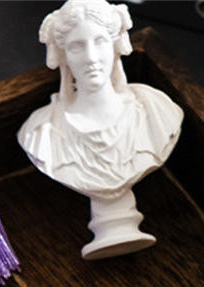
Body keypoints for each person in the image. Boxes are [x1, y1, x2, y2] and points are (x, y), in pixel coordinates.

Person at [18, 0, 183, 204]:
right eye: (77, 47)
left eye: (100, 42)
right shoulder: (41, 132)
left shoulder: (154, 110)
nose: (91, 57)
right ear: (64, 55)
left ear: (114, 45)